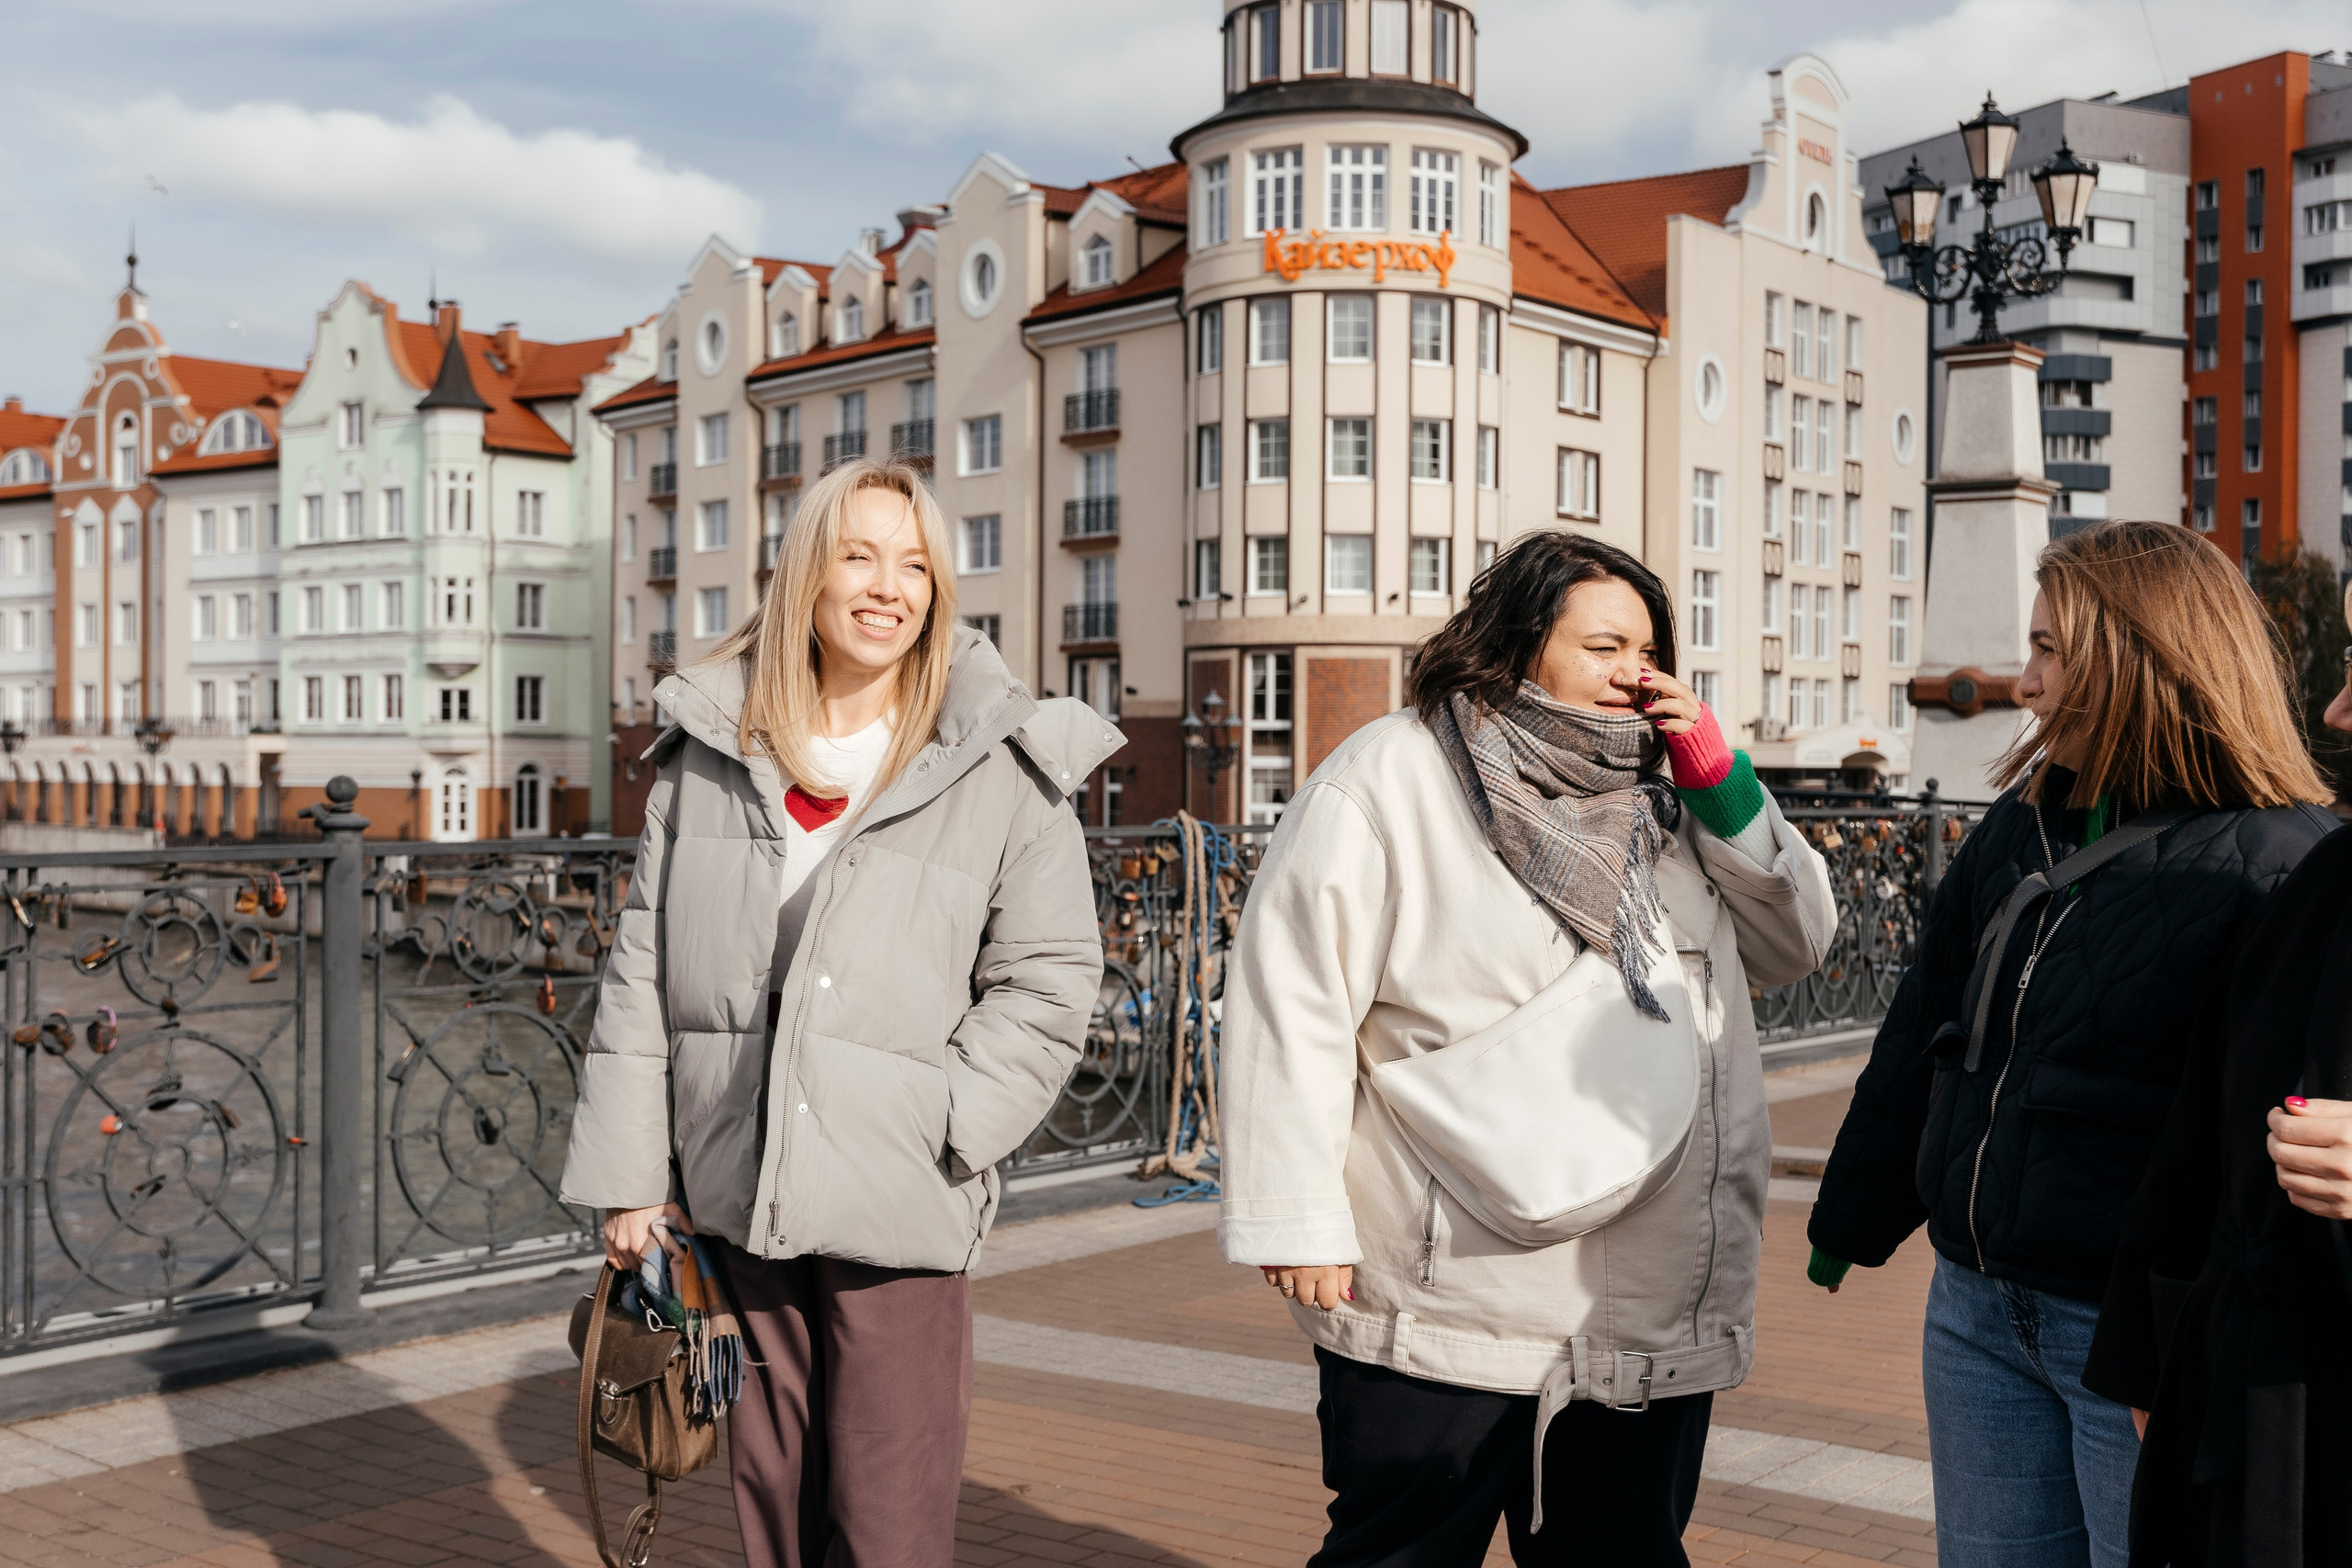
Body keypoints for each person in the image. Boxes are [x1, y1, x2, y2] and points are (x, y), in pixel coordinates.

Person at [1218, 531, 1835, 1565]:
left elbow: (1795, 945)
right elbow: (1294, 996)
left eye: (1647, 651)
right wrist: (1296, 1218)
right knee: (1401, 1550)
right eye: (1601, 646)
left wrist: (1723, 786)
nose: (1632, 675)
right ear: (1515, 644)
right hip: (1451, 1279)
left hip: (1644, 1299)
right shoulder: (1393, 772)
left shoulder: (1673, 794)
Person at [560, 457, 1120, 1566]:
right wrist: (629, 1178)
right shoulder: (710, 754)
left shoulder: (1001, 763)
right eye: (858, 555)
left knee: (888, 1516)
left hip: (897, 1196)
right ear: (807, 575)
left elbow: (1050, 979)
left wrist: (944, 1124)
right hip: (734, 1188)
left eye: (913, 565)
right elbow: (640, 974)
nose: (887, 586)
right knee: (771, 1503)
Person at [1806, 519, 2336, 1568]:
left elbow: (2267, 1151)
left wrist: (2182, 1357)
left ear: (2138, 662)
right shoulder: (2025, 822)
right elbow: (1930, 1026)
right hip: (1973, 1308)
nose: (2026, 684)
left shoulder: (2282, 865)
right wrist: (1852, 1214)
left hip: (2136, 1338)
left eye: (2051, 651)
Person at [2081, 584, 2352, 1567]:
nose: (2336, 710)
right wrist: (2154, 1360)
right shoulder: (2324, 881)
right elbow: (2202, 1135)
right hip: (2253, 1422)